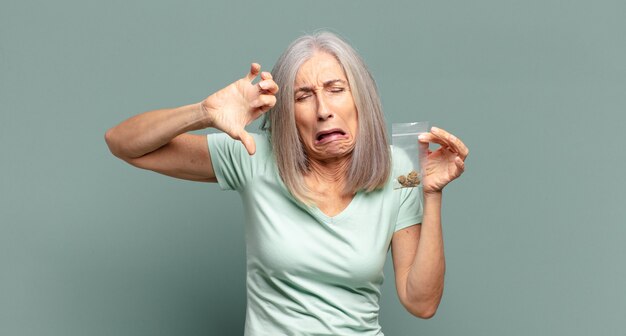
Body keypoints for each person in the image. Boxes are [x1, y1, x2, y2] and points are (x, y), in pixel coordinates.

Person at [105, 31, 468, 335]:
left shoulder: (398, 169)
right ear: (288, 116)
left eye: (335, 89)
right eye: (303, 96)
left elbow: (421, 303)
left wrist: (431, 195)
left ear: (361, 99)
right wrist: (203, 113)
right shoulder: (253, 155)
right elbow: (123, 144)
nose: (323, 109)